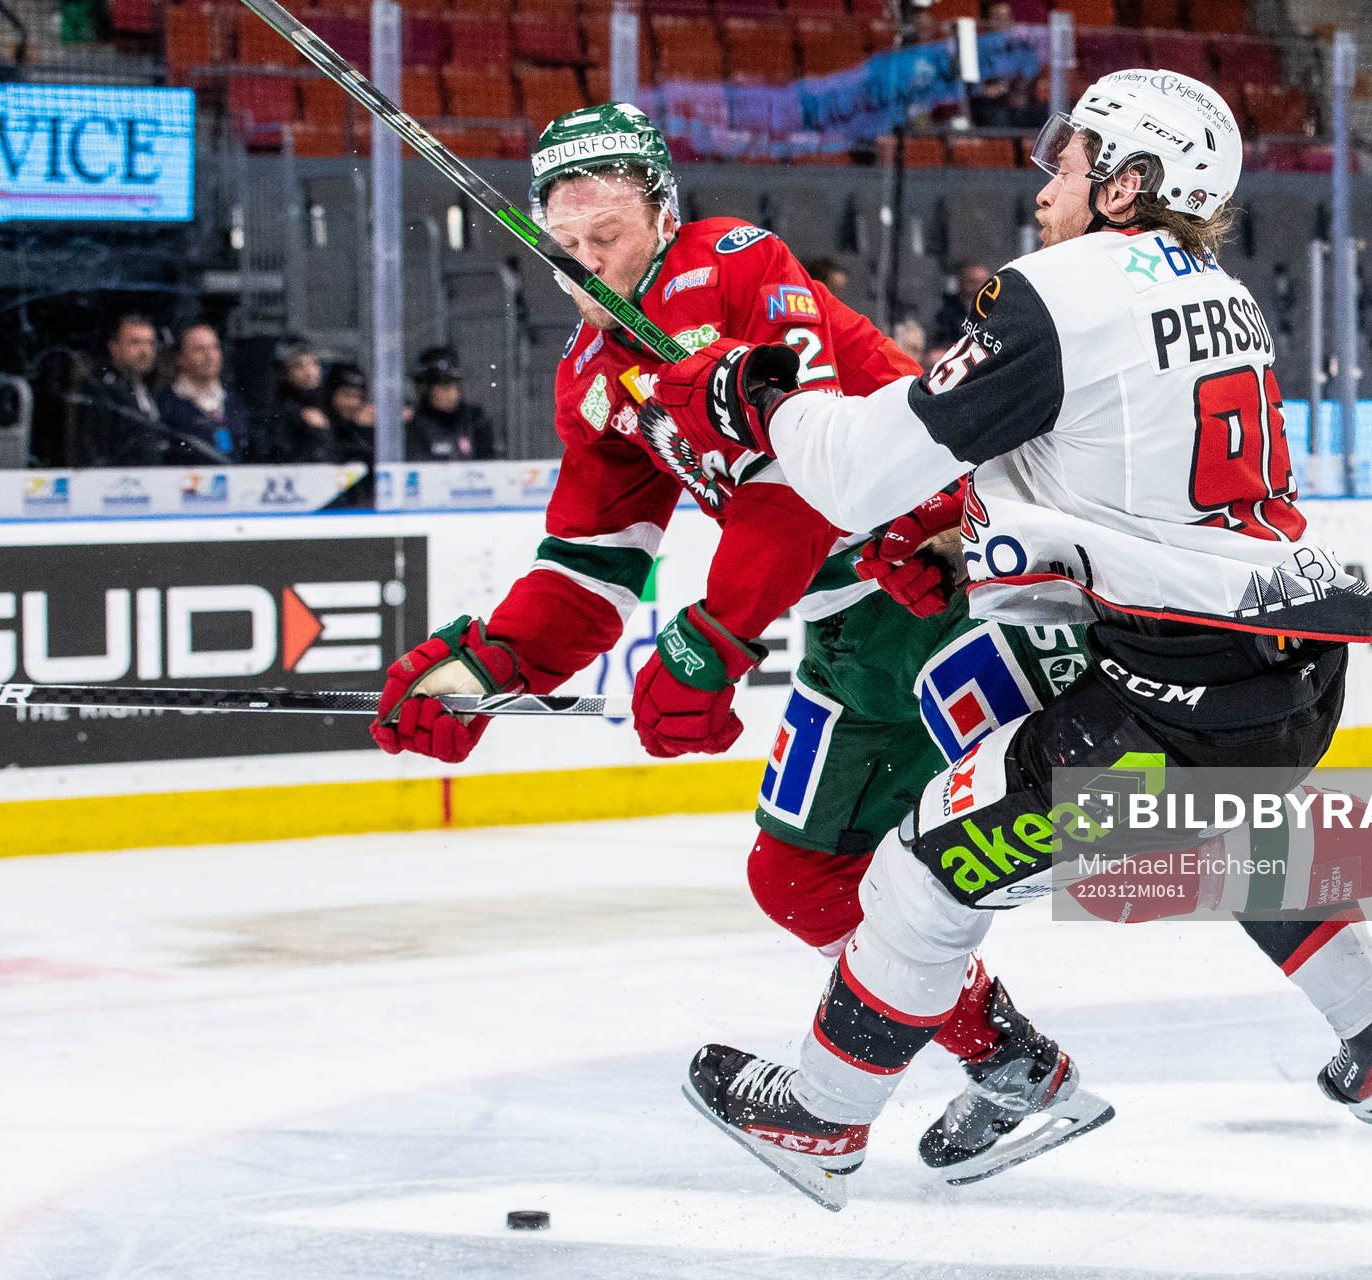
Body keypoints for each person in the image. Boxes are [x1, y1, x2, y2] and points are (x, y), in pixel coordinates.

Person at [651, 69, 1372, 1210]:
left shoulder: (1057, 292)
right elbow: (1112, 472)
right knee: (1202, 846)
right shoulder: (1220, 290)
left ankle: (824, 1120)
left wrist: (760, 401)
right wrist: (975, 542)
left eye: (1075, 156)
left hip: (1169, 697)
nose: (1050, 176)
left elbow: (851, 474)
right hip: (1279, 667)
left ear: (1131, 181)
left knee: (922, 874)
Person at [367, 103, 1112, 1182]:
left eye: (609, 234)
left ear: (660, 210)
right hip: (848, 628)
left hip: (951, 581)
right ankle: (1016, 1068)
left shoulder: (736, 264)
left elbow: (813, 479)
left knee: (1108, 822)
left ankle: (1370, 910)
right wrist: (492, 663)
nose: (589, 263)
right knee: (803, 875)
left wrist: (712, 640)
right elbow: (590, 563)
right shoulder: (591, 374)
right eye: (567, 246)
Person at [78, 313, 167, 467]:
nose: (144, 351)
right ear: (114, 347)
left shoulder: (148, 388)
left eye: (149, 343)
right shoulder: (103, 389)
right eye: (135, 343)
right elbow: (99, 449)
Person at [158, 323, 250, 462]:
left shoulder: (234, 401)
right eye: (199, 349)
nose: (209, 356)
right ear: (180, 358)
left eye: (214, 347)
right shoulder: (166, 403)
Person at [405, 345, 497, 462]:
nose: (451, 393)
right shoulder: (413, 422)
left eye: (454, 384)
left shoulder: (474, 419)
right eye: (443, 385)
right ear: (424, 387)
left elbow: (487, 463)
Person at [255, 340, 335, 463]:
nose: (309, 372)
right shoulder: (278, 411)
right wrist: (316, 433)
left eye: (314, 363)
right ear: (287, 373)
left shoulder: (331, 404)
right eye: (299, 366)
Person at [927, 262, 992, 348]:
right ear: (961, 283)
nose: (978, 287)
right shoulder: (946, 313)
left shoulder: (997, 312)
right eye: (972, 282)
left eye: (983, 283)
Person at [324, 362, 376, 465]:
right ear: (331, 395)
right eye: (347, 396)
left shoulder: (365, 421)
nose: (353, 403)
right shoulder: (321, 420)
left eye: (358, 397)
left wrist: (365, 430)